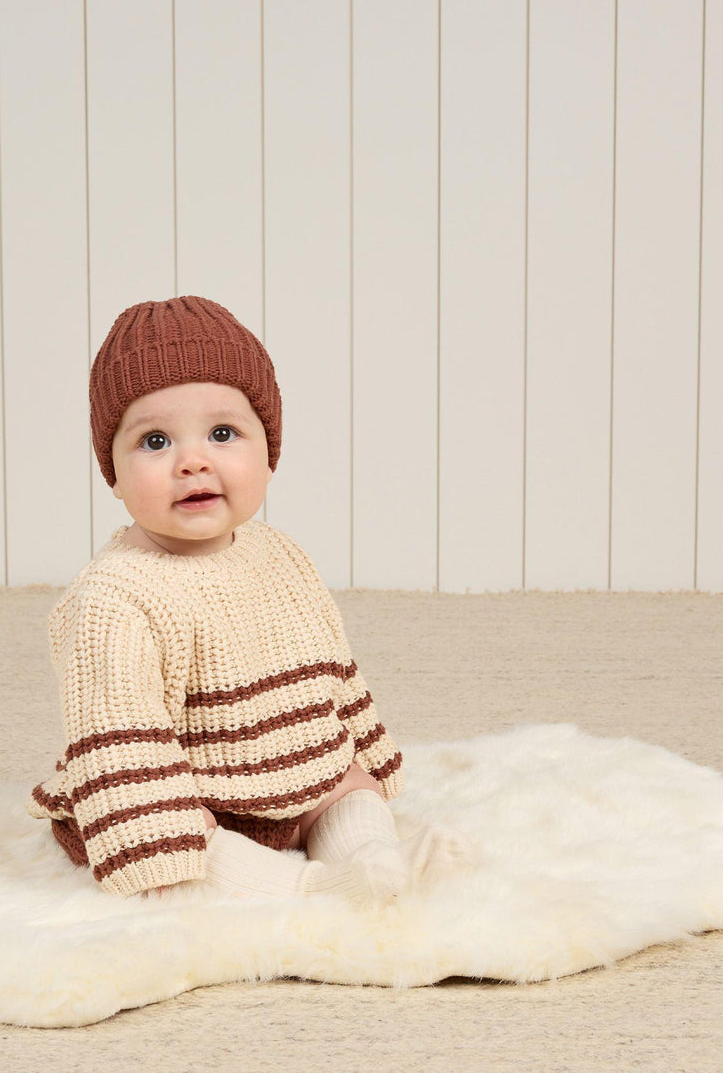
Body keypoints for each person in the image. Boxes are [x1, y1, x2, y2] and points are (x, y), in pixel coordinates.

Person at [26, 295, 471, 905]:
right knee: (183, 859)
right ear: (113, 471)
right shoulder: (115, 597)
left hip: (284, 776)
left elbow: (329, 678)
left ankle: (371, 858)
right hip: (179, 794)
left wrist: (359, 759)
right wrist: (168, 823)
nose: (192, 461)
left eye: (223, 433)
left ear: (269, 449)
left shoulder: (278, 554)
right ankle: (313, 893)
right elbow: (122, 741)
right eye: (155, 441)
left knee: (346, 783)